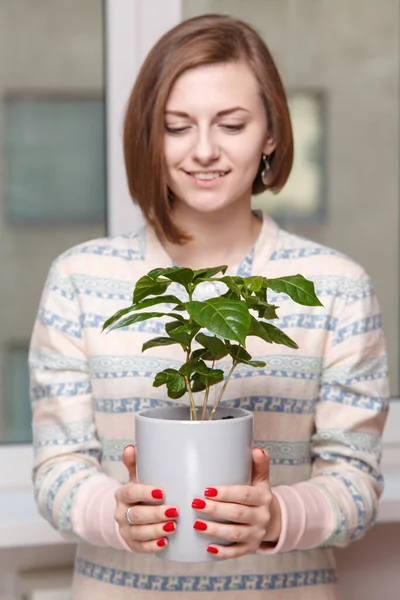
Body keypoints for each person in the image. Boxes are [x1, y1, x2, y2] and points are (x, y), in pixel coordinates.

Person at [29, 13, 389, 600]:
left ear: (270, 135)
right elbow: (56, 469)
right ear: (151, 135)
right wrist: (115, 513)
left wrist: (276, 516)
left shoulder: (336, 287)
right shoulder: (80, 280)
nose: (203, 150)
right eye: (177, 126)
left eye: (232, 124)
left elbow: (356, 483)